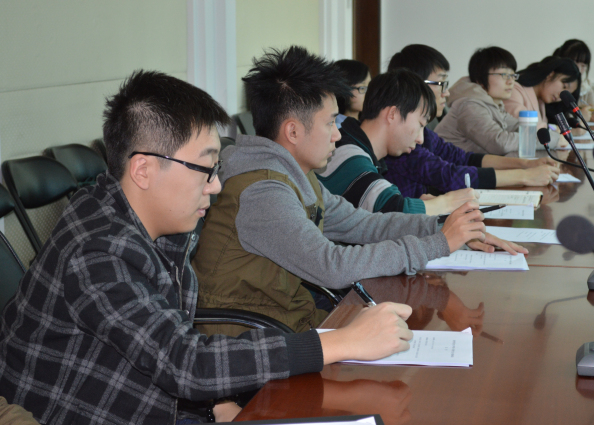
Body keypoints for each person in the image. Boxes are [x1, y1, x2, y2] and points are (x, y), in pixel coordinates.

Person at [0, 70, 417, 425]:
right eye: (205, 168)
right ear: (143, 170)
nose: (216, 186)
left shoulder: (160, 229)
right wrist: (340, 342)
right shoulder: (96, 251)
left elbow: (164, 339)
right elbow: (183, 361)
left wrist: (216, 405)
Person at [193, 46, 526, 336]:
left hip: (290, 323)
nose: (338, 135)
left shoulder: (296, 174)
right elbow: (332, 265)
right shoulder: (263, 191)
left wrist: (448, 228)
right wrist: (439, 243)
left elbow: (362, 224)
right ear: (293, 131)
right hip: (255, 343)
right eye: (330, 123)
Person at [383, 44, 561, 198]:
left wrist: (527, 164)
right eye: (441, 84)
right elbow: (451, 175)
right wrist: (525, 175)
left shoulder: (426, 135)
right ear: (414, 85)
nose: (446, 92)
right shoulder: (401, 140)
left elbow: (464, 158)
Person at [318, 68, 479, 216]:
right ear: (393, 114)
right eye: (420, 124)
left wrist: (423, 204)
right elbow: (392, 209)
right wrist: (446, 202)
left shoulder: (362, 149)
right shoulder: (348, 152)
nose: (420, 139)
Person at [436, 46, 564, 155]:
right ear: (481, 78)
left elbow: (519, 127)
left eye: (513, 76)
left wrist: (547, 135)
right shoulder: (469, 105)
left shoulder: (494, 104)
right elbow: (500, 143)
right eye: (504, 75)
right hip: (450, 172)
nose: (511, 82)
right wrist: (550, 140)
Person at [503, 56, 581, 139]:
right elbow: (527, 126)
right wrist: (560, 130)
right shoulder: (515, 90)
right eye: (564, 86)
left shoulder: (541, 101)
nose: (561, 96)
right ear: (550, 74)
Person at [553, 39, 594, 123]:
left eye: (583, 65)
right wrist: (580, 116)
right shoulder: (555, 87)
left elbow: (593, 109)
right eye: (575, 63)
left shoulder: (585, 87)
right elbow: (556, 120)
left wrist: (593, 114)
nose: (579, 70)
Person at [334, 59, 371, 128]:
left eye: (369, 87)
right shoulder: (337, 127)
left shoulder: (365, 123)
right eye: (362, 88)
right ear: (343, 88)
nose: (368, 93)